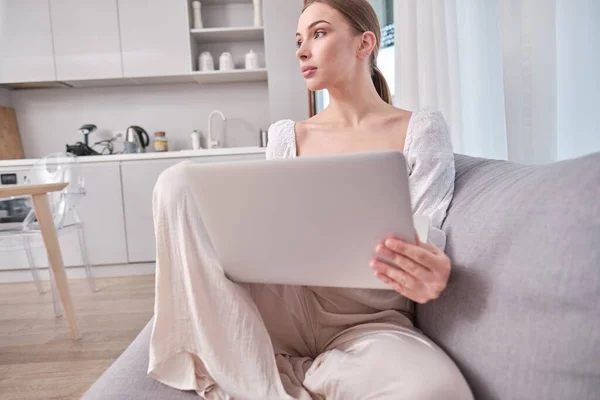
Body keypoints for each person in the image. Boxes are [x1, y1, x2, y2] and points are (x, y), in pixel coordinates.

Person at [148, 0, 473, 399]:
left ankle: (287, 374)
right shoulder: (287, 135)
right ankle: (267, 377)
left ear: (364, 43)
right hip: (280, 307)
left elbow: (428, 226)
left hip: (367, 322)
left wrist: (432, 271)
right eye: (299, 40)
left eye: (318, 34)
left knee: (435, 390)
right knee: (177, 182)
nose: (302, 50)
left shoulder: (419, 129)